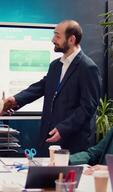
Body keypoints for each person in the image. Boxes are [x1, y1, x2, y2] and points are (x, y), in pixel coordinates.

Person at [2, 20, 101, 156]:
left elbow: (88, 107)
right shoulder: (55, 65)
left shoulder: (88, 68)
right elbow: (40, 87)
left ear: (71, 39)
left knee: (66, 178)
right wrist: (14, 100)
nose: (53, 40)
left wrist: (63, 129)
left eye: (57, 36)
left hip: (71, 144)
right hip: (47, 140)